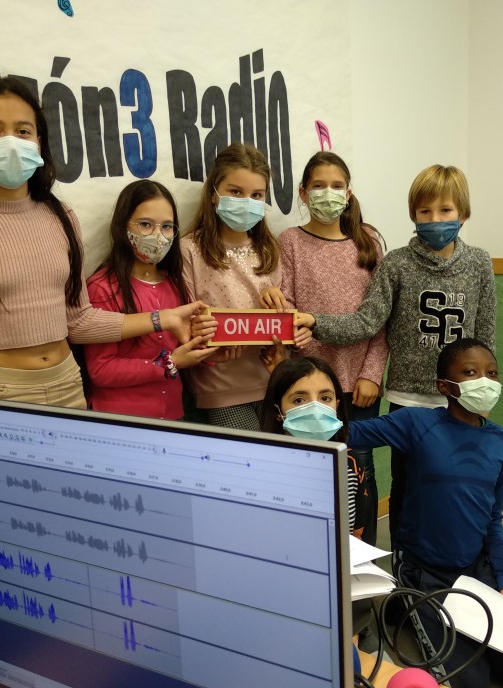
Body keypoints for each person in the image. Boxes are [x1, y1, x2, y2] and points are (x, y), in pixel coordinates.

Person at [0, 76, 208, 406]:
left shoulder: (61, 217)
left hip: (68, 385)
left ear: (39, 142)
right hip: (0, 393)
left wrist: (163, 318)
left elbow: (78, 321)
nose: (11, 142)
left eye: (23, 131)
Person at [296, 164, 496, 545]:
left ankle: (453, 556)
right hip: (408, 400)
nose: (434, 219)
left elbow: (485, 335)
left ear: (463, 214)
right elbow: (367, 322)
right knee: (407, 486)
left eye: (445, 210)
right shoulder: (397, 263)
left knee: (456, 484)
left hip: (461, 399)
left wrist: (483, 391)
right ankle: (406, 560)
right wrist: (315, 322)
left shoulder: (480, 264)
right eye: (425, 211)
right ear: (413, 214)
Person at [347, 337, 503, 688]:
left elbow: (493, 518)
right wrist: (304, 404)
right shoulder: (416, 423)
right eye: (470, 372)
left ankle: (431, 617)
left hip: (475, 569)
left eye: (492, 373)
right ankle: (407, 602)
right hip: (425, 572)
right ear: (443, 386)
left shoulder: (501, 440)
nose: (484, 381)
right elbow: (347, 432)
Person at [260, 151, 387, 544]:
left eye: (336, 186)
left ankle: (363, 553)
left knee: (359, 468)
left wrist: (371, 373)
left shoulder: (369, 242)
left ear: (348, 193)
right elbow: (288, 305)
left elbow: (380, 319)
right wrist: (288, 330)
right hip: (310, 388)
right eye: (318, 186)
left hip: (359, 386)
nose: (327, 193)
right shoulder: (290, 241)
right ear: (303, 192)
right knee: (310, 470)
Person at [181, 143, 303, 430]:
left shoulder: (269, 249)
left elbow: (285, 321)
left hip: (273, 381)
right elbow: (185, 321)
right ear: (214, 194)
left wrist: (279, 305)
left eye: (256, 195)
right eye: (236, 192)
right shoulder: (190, 249)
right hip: (220, 386)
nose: (246, 202)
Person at [84, 180, 219, 418]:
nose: (158, 236)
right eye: (145, 224)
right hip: (121, 420)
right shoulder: (102, 288)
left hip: (172, 417)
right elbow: (101, 370)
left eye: (167, 227)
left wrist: (209, 352)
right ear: (122, 225)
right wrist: (169, 363)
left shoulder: (175, 283)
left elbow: (183, 348)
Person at [258, 356, 363, 537]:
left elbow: (346, 536)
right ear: (278, 411)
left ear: (336, 406)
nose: (315, 409)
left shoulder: (346, 466)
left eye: (325, 398)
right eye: (299, 400)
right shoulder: (261, 469)